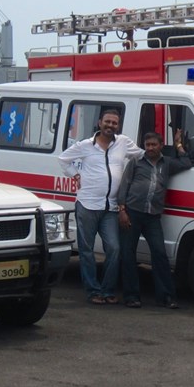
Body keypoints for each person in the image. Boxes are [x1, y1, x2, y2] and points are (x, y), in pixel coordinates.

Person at [58, 108, 143, 305]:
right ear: (99, 122)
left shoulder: (123, 143)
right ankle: (93, 291)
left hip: (110, 208)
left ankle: (107, 290)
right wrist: (75, 174)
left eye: (114, 123)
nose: (110, 125)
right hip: (87, 204)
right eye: (107, 122)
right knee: (86, 251)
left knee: (114, 248)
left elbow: (141, 155)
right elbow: (63, 159)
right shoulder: (85, 145)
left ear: (118, 125)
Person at [117, 129, 191, 309]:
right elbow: (124, 185)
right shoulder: (136, 162)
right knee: (128, 254)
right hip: (132, 213)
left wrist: (178, 145)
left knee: (159, 254)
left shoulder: (167, 163)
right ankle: (131, 296)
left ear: (161, 146)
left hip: (152, 216)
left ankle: (166, 297)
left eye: (153, 145)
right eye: (147, 145)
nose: (150, 148)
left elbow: (186, 162)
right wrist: (122, 210)